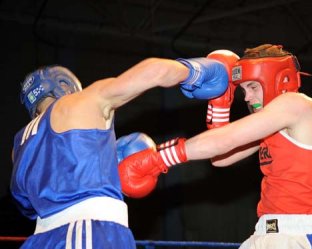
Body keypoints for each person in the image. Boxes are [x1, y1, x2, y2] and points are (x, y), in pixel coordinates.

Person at [118, 44, 312, 249]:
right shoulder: (273, 124)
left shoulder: (298, 105)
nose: (247, 97)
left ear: (279, 80)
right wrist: (220, 102)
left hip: (298, 235)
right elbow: (221, 157)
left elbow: (223, 141)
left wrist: (159, 158)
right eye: (243, 90)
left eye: (253, 87)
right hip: (266, 233)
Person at [10, 50, 239, 249]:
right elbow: (156, 71)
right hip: (89, 233)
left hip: (39, 239)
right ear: (64, 84)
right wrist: (198, 71)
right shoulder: (82, 102)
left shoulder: (18, 144)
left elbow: (27, 206)